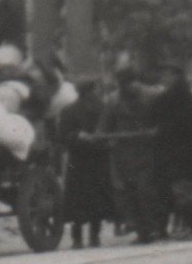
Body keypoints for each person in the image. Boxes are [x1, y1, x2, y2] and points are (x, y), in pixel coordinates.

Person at [100, 73, 164, 244]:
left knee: (145, 190)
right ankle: (142, 231)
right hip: (124, 153)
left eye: (128, 84)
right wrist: (105, 137)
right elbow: (104, 127)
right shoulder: (113, 101)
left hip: (147, 150)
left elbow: (164, 118)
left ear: (135, 82)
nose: (126, 89)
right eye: (122, 85)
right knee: (130, 193)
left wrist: (157, 130)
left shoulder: (151, 96)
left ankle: (154, 227)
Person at [57, 77, 114, 249]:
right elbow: (63, 135)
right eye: (93, 90)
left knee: (95, 197)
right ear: (87, 92)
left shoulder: (103, 109)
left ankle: (93, 235)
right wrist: (78, 136)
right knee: (78, 199)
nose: (95, 93)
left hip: (97, 156)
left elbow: (111, 129)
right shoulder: (69, 111)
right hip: (80, 159)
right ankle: (79, 237)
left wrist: (105, 140)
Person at [150, 68, 192, 240]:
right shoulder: (183, 95)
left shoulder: (177, 96)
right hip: (178, 149)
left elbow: (157, 112)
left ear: (175, 76)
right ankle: (163, 228)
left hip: (180, 151)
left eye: (166, 74)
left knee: (178, 190)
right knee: (167, 190)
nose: (163, 77)